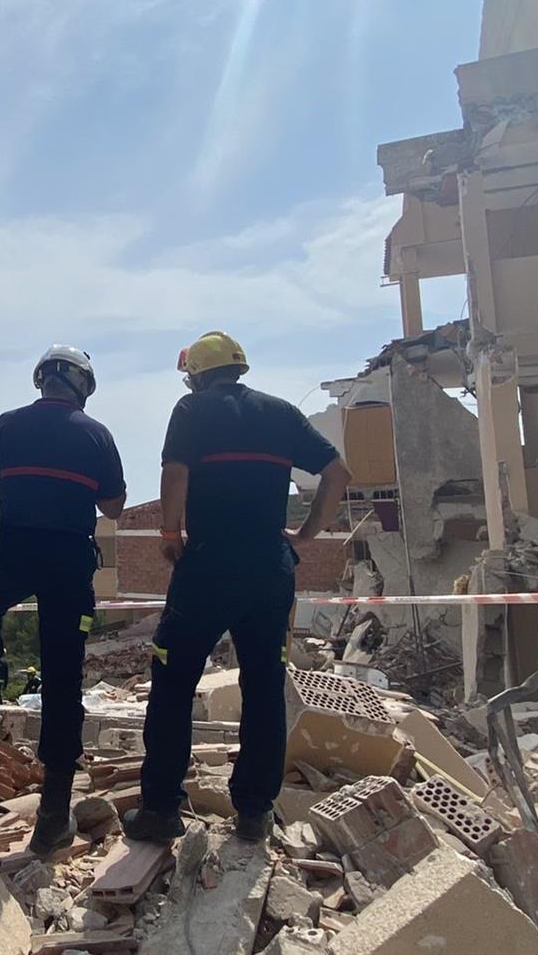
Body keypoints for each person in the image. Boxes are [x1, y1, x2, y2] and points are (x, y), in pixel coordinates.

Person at [122, 331, 353, 845]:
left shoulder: (191, 410)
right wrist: (306, 535)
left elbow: (175, 474)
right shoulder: (282, 413)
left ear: (197, 376)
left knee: (173, 685)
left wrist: (169, 535)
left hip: (208, 567)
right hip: (270, 570)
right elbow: (338, 473)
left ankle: (161, 810)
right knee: (264, 688)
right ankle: (253, 812)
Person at [0, 345, 124, 854]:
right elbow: (114, 506)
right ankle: (53, 814)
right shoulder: (97, 434)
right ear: (82, 385)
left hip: (13, 547)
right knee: (63, 677)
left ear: (42, 379)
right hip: (68, 560)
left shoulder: (7, 424)